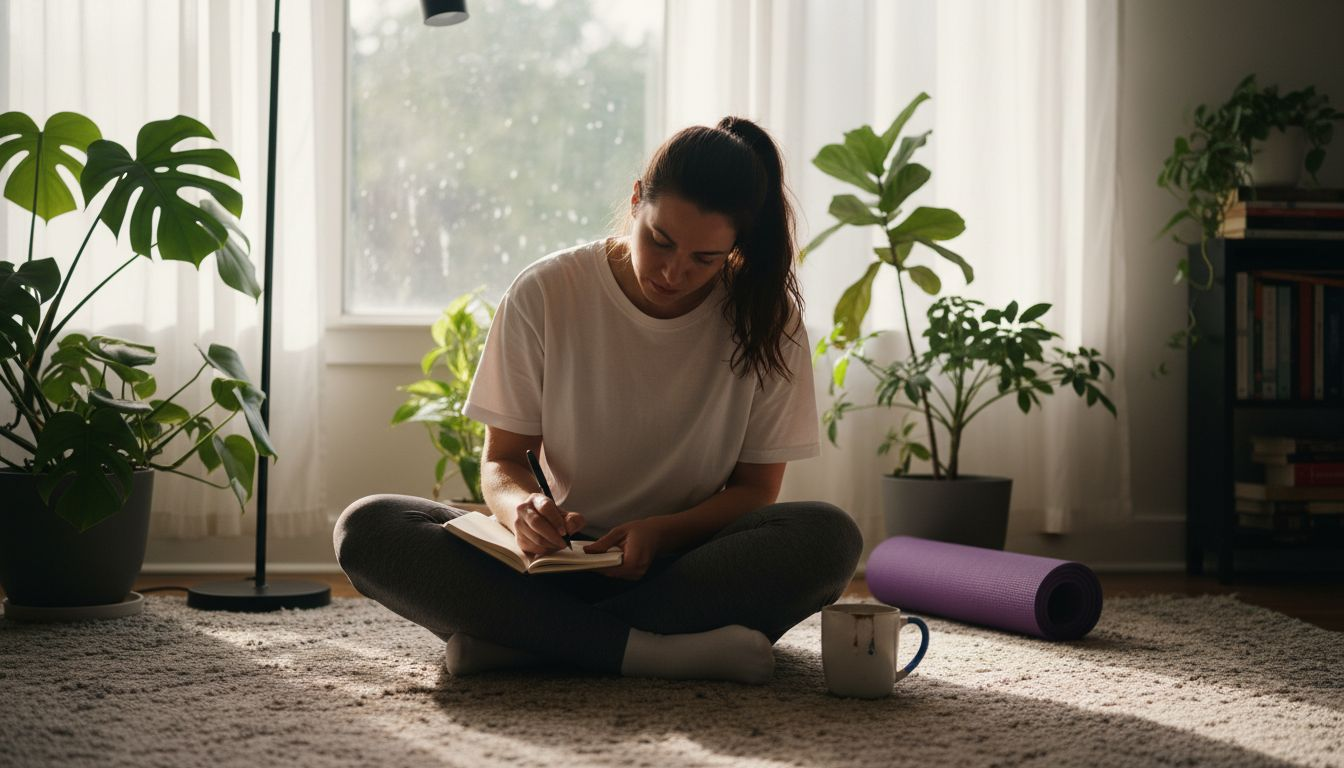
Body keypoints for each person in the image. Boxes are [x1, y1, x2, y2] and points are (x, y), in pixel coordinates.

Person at [333, 116, 863, 685]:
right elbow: (502, 461)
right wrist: (520, 510)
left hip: (689, 567)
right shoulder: (547, 292)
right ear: (636, 202)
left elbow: (756, 491)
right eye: (659, 239)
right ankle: (652, 652)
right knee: (368, 526)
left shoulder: (768, 320)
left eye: (705, 259)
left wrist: (661, 532)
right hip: (554, 564)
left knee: (830, 537)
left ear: (736, 245)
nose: (674, 270)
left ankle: (528, 643)